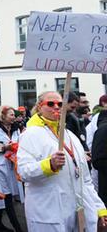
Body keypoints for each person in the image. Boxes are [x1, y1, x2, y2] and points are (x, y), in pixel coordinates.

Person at [18, 91, 107, 231]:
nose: (56, 107)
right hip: (48, 213)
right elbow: (23, 172)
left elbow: (85, 179)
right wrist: (49, 165)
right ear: (39, 107)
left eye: (60, 104)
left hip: (75, 213)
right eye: (50, 103)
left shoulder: (70, 135)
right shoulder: (30, 135)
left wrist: (99, 208)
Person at [0, 106, 24, 232]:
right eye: (11, 115)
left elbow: (21, 143)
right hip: (0, 167)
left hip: (13, 166)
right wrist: (5, 148)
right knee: (6, 196)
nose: (14, 117)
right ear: (3, 116)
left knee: (7, 196)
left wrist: (16, 147)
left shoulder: (16, 129)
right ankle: (18, 228)